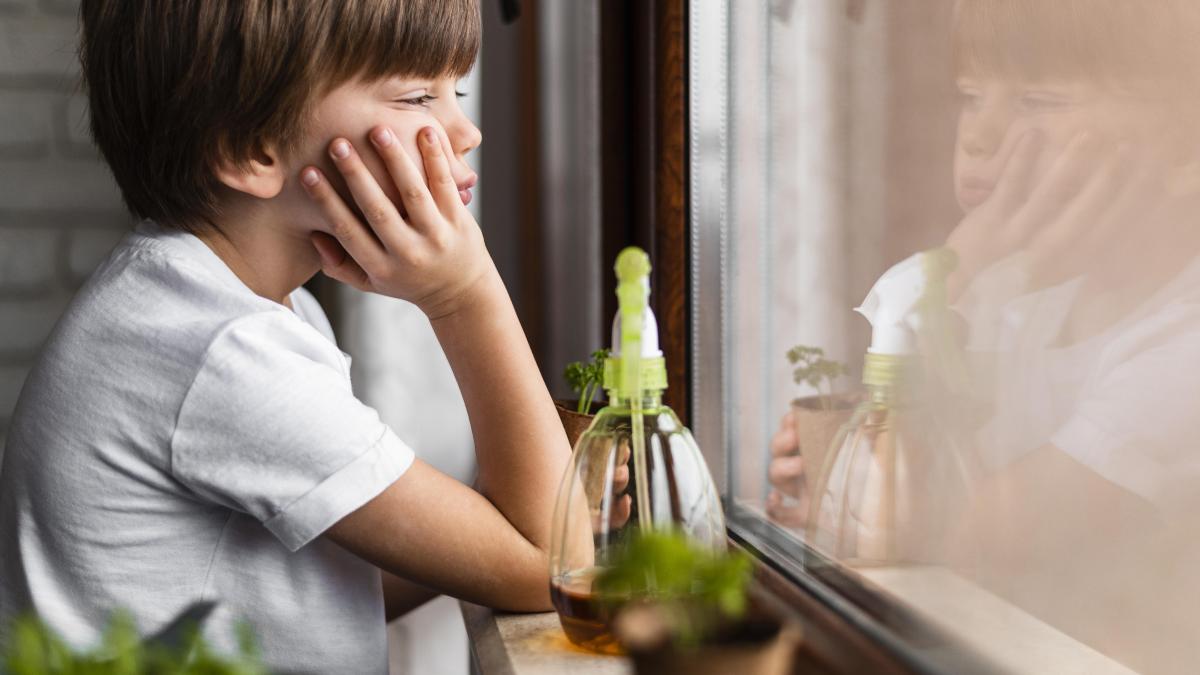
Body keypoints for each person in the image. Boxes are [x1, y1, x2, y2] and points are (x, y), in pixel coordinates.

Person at [0, 2, 588, 672]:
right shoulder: (222, 350)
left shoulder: (244, 309)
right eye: (419, 96)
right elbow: (555, 567)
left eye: (456, 91)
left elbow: (309, 596)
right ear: (249, 145)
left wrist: (486, 526)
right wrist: (463, 293)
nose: (466, 131)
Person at [768, 2, 1200, 667]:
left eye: (1041, 100)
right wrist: (833, 476)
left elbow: (940, 535)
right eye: (970, 96)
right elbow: (894, 481)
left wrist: (957, 263)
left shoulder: (1182, 350)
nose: (979, 134)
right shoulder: (1015, 300)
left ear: (1185, 145)